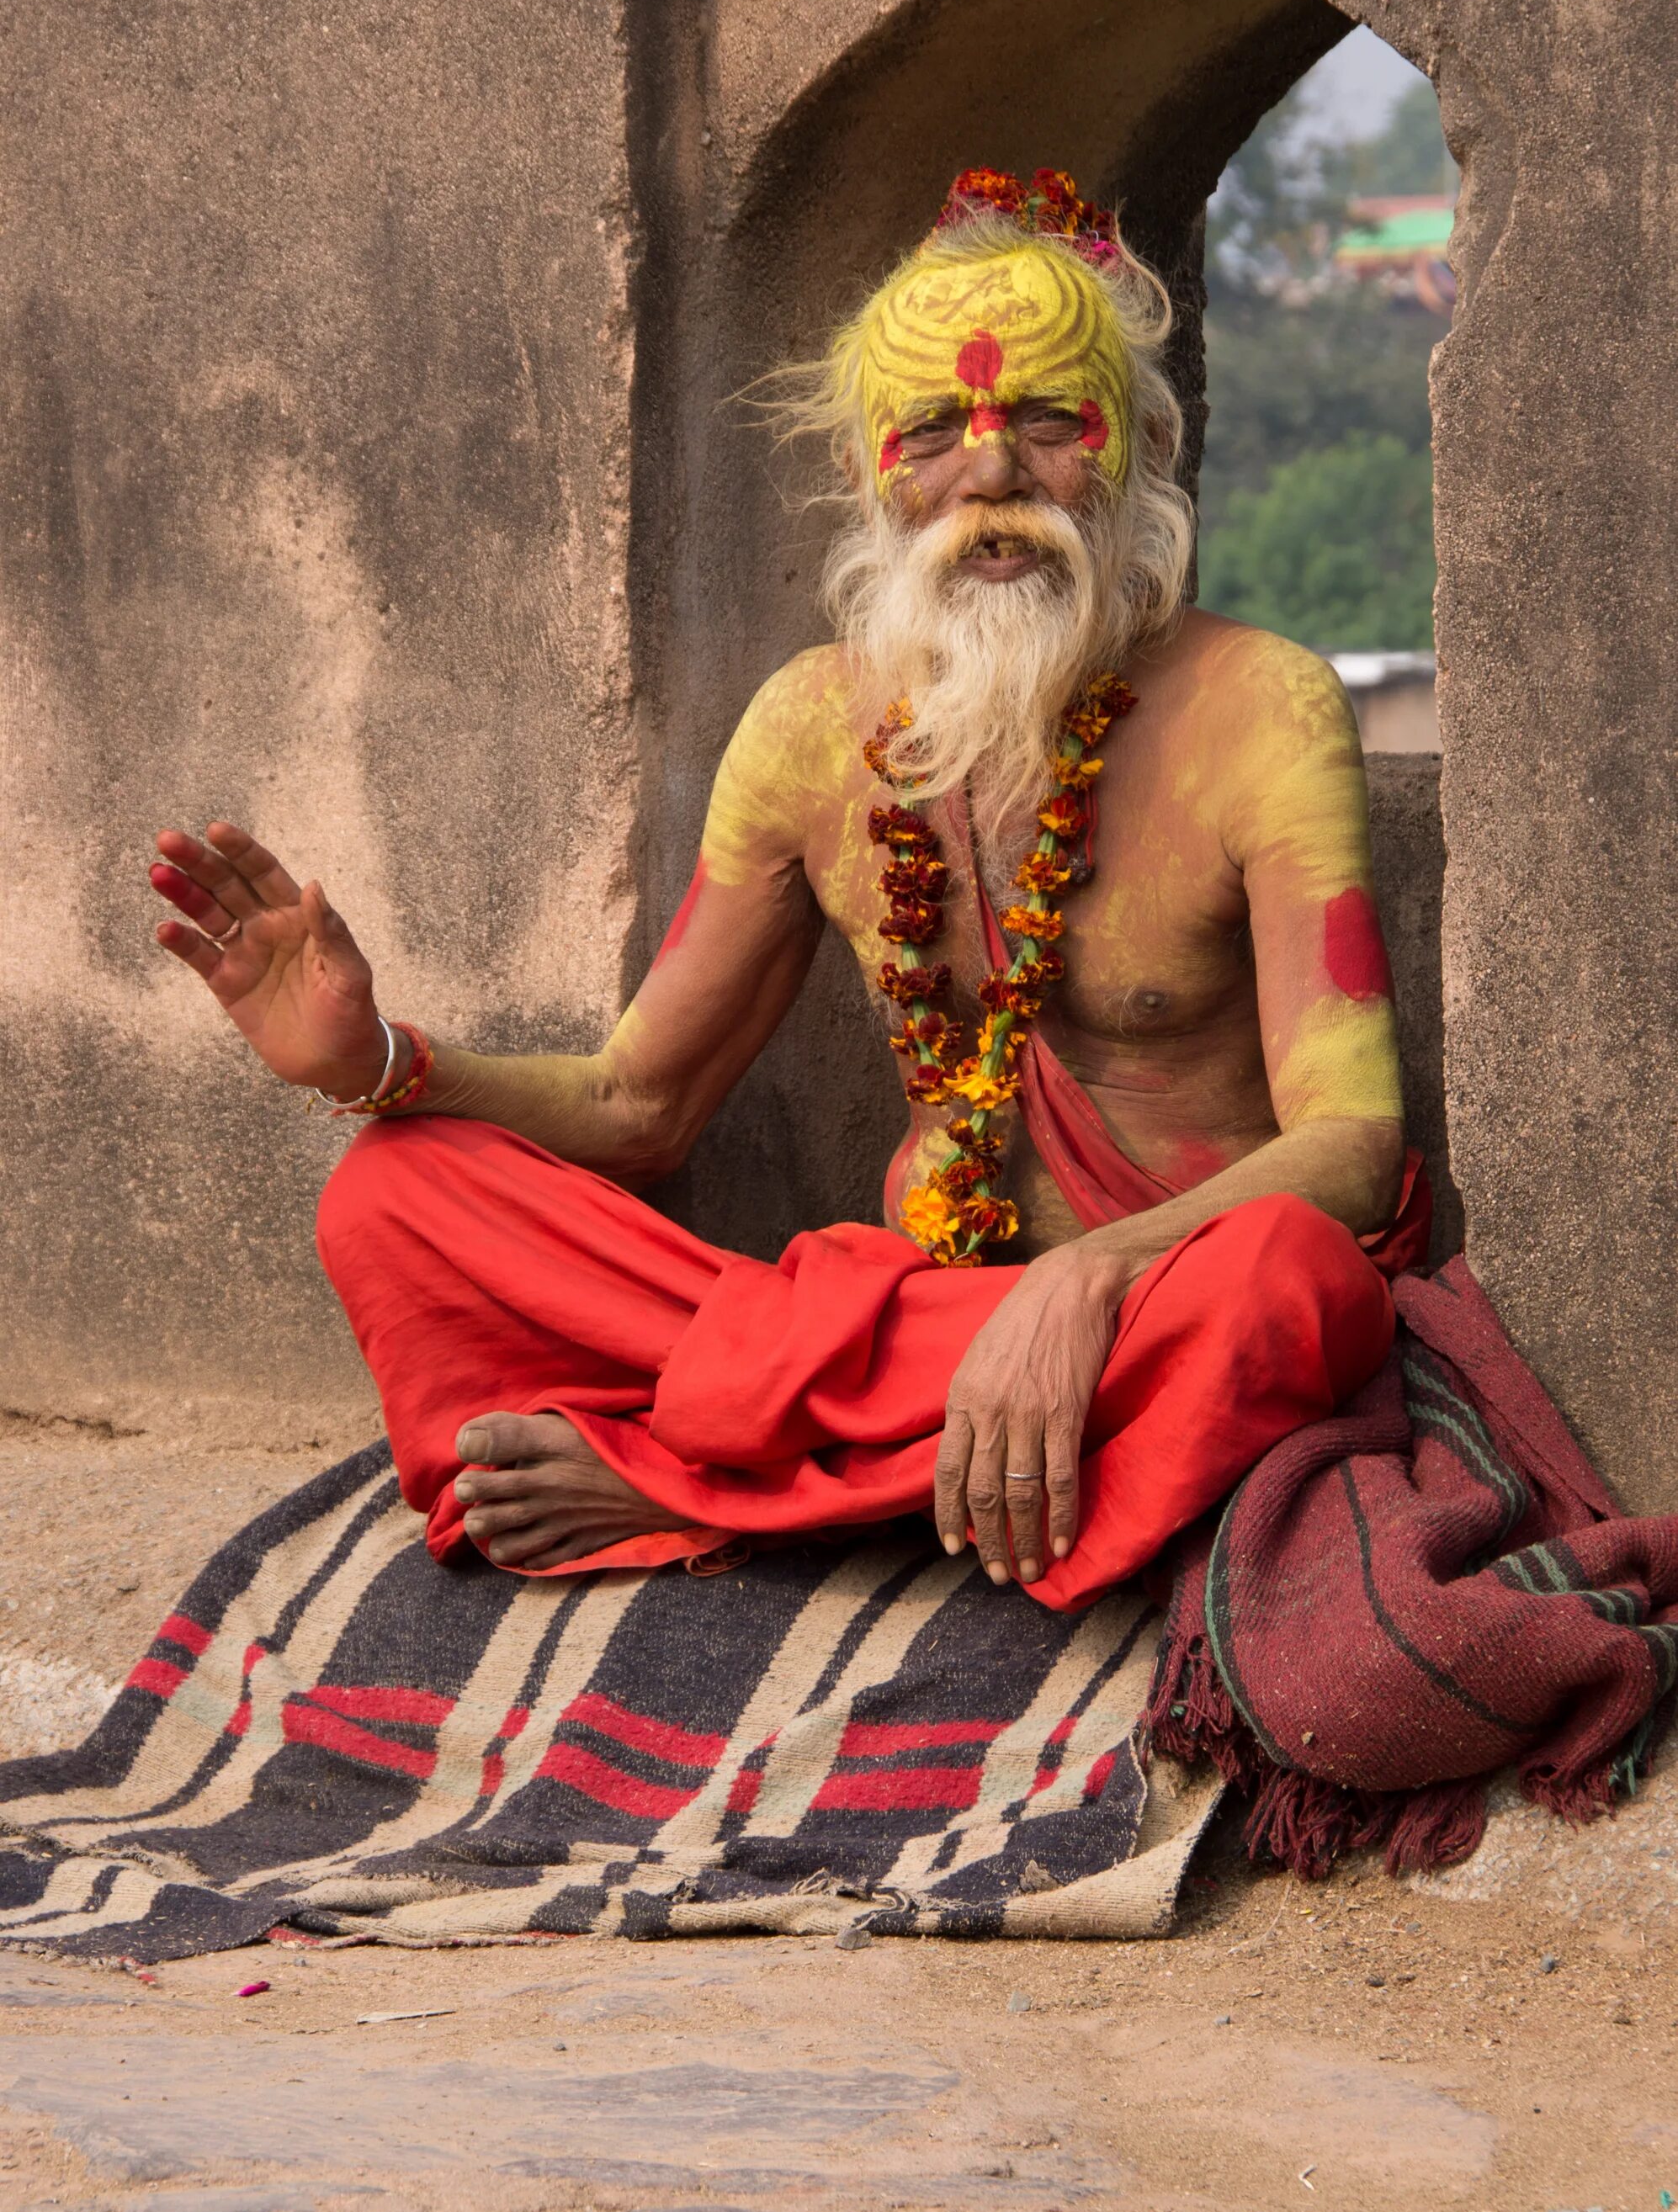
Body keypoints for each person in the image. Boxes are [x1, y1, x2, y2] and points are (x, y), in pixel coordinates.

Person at [148, 167, 1426, 1616]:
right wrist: (381, 1062)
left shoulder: (1263, 706)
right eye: (935, 429)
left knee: (1289, 1292)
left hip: (1153, 1310)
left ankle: (702, 1491)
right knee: (393, 1192)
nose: (991, 475)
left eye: (1048, 422)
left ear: (1130, 450)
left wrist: (1086, 1284)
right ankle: (898, 1468)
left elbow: (1354, 1143)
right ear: (873, 470)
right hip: (899, 1316)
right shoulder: (810, 729)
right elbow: (641, 1109)